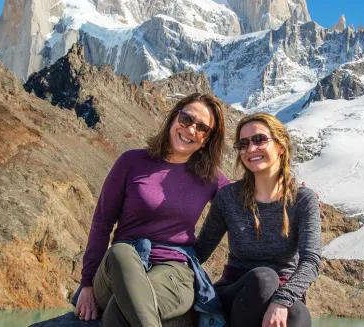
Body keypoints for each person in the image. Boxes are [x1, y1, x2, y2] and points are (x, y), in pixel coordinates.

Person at [74, 93, 230, 327]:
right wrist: (86, 284)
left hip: (174, 272)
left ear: (207, 139)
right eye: (186, 119)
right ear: (174, 118)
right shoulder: (131, 162)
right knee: (121, 253)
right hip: (118, 271)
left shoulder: (211, 179)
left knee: (121, 310)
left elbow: (243, 210)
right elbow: (102, 223)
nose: (190, 130)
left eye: (202, 128)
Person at [195, 113, 322, 327]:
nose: (251, 149)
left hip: (284, 290)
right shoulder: (228, 197)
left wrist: (281, 300)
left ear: (281, 146)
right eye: (243, 144)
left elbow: (311, 261)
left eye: (259, 140)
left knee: (298, 315)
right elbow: (200, 251)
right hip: (236, 291)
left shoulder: (303, 200)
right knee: (264, 278)